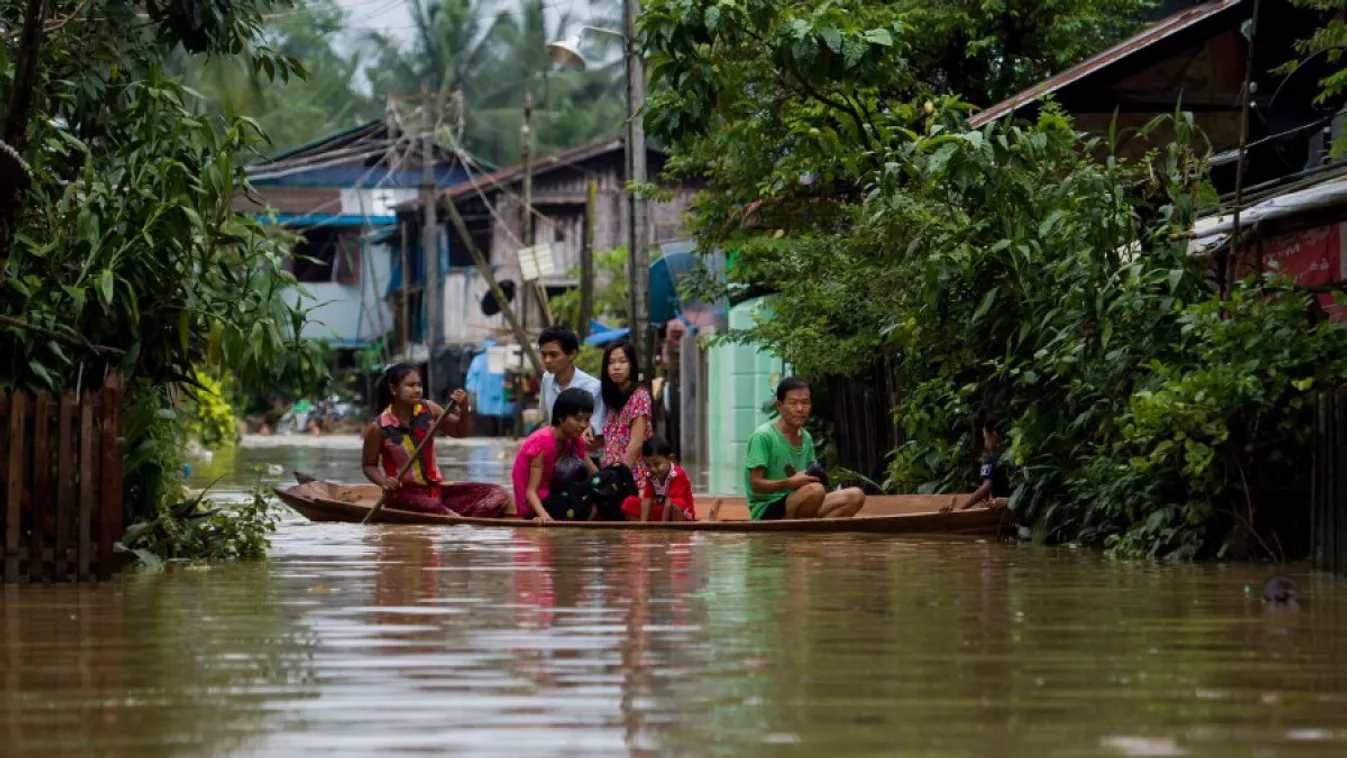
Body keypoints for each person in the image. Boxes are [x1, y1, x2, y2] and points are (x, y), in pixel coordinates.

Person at [361, 363, 511, 517]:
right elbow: (368, 465)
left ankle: (463, 519)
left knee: (498, 493)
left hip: (435, 491)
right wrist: (384, 482)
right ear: (393, 389)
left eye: (419, 385)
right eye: (410, 385)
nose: (417, 390)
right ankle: (453, 517)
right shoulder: (378, 427)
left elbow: (460, 431)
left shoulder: (429, 409)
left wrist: (464, 409)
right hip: (402, 495)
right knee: (433, 507)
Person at [744, 377, 865, 520]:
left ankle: (816, 532)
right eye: (793, 403)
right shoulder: (763, 436)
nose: (800, 409)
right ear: (780, 406)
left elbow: (811, 479)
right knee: (815, 491)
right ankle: (807, 529)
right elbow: (755, 484)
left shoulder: (806, 437)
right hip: (768, 509)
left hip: (803, 499)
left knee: (855, 496)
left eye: (805, 403)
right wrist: (789, 483)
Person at [512, 388, 600, 522]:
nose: (583, 425)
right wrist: (544, 517)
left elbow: (594, 473)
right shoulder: (543, 443)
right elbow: (531, 491)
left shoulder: (575, 440)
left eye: (587, 420)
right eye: (577, 419)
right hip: (534, 502)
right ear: (561, 417)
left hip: (556, 493)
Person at [537, 324, 604, 451]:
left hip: (583, 459)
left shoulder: (593, 387)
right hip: (553, 455)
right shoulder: (547, 379)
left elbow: (598, 437)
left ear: (572, 354)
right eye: (544, 355)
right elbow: (546, 421)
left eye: (553, 354)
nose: (547, 360)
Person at [600, 340, 653, 495]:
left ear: (632, 365)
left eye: (623, 361)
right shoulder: (611, 400)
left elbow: (636, 444)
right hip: (611, 475)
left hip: (632, 477)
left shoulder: (639, 395)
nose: (616, 367)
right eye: (611, 362)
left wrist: (618, 478)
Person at [942, 413, 1012, 513]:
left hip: (1001, 511)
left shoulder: (993, 459)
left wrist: (961, 508)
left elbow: (986, 487)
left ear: (994, 436)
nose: (985, 443)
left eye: (986, 438)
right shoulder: (1012, 456)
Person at [621, 437, 696, 522]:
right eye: (648, 465)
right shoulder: (651, 475)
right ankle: (638, 532)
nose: (653, 469)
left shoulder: (677, 474)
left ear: (670, 459)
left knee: (676, 504)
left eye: (657, 464)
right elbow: (647, 499)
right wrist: (643, 524)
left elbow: (669, 503)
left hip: (681, 513)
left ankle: (677, 533)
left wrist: (662, 527)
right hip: (662, 510)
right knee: (629, 502)